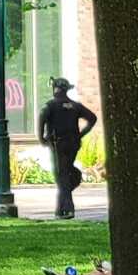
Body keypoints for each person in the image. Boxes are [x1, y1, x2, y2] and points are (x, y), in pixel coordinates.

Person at [37, 77, 97, 219]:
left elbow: (41, 118)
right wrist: (80, 135)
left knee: (63, 175)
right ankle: (60, 209)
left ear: (55, 89)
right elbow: (93, 118)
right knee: (65, 173)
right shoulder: (75, 106)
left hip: (58, 144)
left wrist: (41, 137)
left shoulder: (51, 105)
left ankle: (68, 209)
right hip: (73, 144)